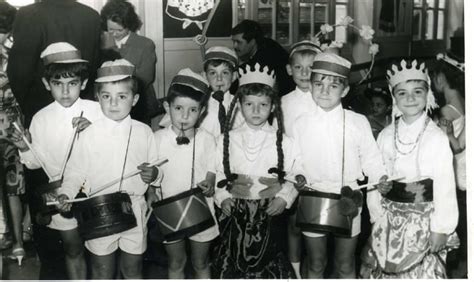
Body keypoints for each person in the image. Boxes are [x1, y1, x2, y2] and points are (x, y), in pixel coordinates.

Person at [57, 59, 161, 279]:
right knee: (101, 269)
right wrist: (66, 192)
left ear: (135, 99)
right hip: (99, 207)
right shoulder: (89, 134)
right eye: (106, 96)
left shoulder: (144, 132)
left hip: (134, 207)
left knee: (133, 269)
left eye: (122, 96)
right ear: (98, 98)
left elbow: (156, 167)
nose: (113, 103)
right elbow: (75, 172)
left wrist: (153, 176)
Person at [291, 52, 389, 278]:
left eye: (333, 86)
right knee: (316, 262)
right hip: (314, 197)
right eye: (318, 84)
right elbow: (295, 160)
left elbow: (371, 158)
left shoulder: (357, 122)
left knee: (344, 263)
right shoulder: (301, 123)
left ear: (345, 90)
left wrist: (380, 178)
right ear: (311, 86)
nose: (324, 91)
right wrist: (298, 175)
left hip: (348, 198)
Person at [9, 42, 103, 276]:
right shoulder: (41, 118)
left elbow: (111, 147)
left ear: (83, 83)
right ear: (45, 84)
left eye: (72, 84)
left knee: (101, 251)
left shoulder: (97, 110)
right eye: (57, 84)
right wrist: (24, 148)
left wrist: (95, 129)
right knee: (73, 249)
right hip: (62, 195)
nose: (65, 92)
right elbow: (35, 162)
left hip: (97, 191)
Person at [360, 59, 459, 278]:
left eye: (417, 91)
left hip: (424, 221)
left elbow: (444, 185)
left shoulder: (436, 138)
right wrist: (377, 208)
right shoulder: (386, 135)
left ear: (428, 94)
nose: (411, 98)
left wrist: (440, 228)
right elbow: (377, 174)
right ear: (394, 98)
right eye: (402, 93)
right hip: (389, 219)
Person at [212, 63, 298, 279]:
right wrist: (222, 197)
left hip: (269, 212)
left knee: (269, 261)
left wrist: (284, 198)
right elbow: (219, 173)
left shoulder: (285, 142)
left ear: (272, 107)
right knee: (233, 258)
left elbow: (295, 174)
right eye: (249, 104)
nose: (256, 110)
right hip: (237, 212)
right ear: (239, 105)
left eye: (263, 104)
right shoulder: (227, 140)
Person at [150, 69, 219, 279]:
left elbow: (212, 168)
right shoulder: (158, 138)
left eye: (193, 110)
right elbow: (153, 171)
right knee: (176, 261)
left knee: (200, 261)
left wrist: (209, 182)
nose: (185, 116)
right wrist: (152, 190)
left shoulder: (207, 139)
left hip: (201, 209)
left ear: (203, 111)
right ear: (166, 107)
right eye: (178, 108)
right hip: (169, 210)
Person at [7, 0, 102, 128]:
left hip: (39, 109)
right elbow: (93, 67)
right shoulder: (92, 15)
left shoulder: (28, 14)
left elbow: (19, 73)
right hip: (82, 112)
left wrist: (30, 107)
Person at [279, 40, 321, 279]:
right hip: (295, 174)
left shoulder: (325, 100)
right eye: (299, 68)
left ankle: (314, 268)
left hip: (320, 172)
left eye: (311, 67)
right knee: (294, 225)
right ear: (289, 70)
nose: (305, 73)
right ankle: (295, 272)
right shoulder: (284, 103)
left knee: (316, 228)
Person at [431, 55, 466, 278]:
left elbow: (450, 145)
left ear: (441, 78)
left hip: (455, 173)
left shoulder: (445, 112)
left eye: (434, 78)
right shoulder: (463, 103)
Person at [100, 0, 162, 125]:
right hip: (110, 103)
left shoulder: (145, 44)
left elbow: (146, 78)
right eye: (111, 30)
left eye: (120, 30)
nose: (115, 34)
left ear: (130, 25)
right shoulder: (102, 44)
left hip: (138, 104)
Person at [0, 0, 23, 254]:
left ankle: (8, 237)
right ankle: (18, 242)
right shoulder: (15, 52)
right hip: (13, 124)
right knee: (13, 186)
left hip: (8, 123)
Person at [231, 20, 295, 96]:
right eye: (233, 41)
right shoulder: (267, 44)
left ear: (252, 41)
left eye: (239, 42)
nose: (234, 46)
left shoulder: (266, 57)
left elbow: (234, 87)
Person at [200, 46, 244, 139]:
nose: (219, 78)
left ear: (234, 76)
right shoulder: (198, 104)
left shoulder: (241, 106)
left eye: (225, 73)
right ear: (204, 76)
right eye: (213, 73)